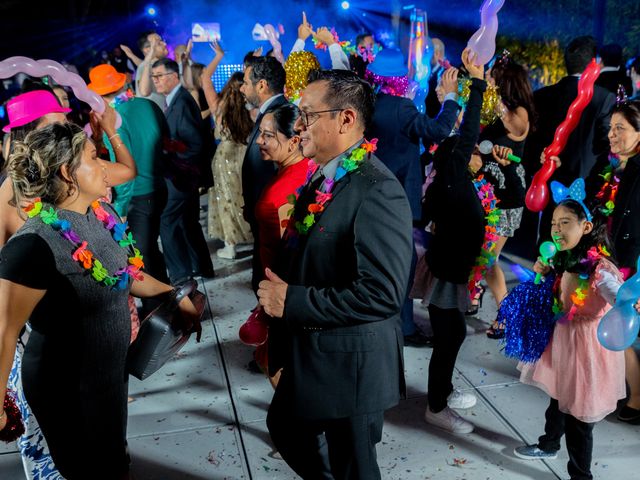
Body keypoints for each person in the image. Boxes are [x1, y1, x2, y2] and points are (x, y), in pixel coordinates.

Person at [0, 123, 200, 479]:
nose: (107, 165)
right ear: (67, 172)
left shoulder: (97, 216)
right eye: (95, 156)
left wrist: (172, 293)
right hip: (66, 387)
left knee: (113, 462)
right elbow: (4, 329)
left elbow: (126, 275)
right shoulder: (34, 244)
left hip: (107, 376)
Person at [258, 69, 413, 479]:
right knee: (285, 427)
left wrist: (290, 301)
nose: (298, 125)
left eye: (308, 115)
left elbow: (382, 293)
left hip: (352, 366)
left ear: (345, 119)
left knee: (354, 467)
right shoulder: (325, 175)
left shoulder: (378, 188)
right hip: (317, 352)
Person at [513, 186, 639, 480]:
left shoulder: (598, 268)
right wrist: (542, 273)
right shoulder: (563, 258)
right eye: (554, 223)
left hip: (587, 348)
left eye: (565, 223)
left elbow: (614, 292)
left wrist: (628, 299)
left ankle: (580, 475)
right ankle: (548, 443)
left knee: (579, 417)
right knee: (558, 396)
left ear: (586, 226)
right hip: (563, 338)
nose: (556, 229)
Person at [412, 49, 487, 434]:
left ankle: (443, 391)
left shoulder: (449, 179)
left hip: (449, 268)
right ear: (457, 157)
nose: (476, 152)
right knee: (450, 336)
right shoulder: (454, 176)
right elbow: (469, 129)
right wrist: (477, 84)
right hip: (446, 271)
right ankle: (436, 406)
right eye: (470, 151)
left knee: (450, 334)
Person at [365, 48, 461, 346]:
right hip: (399, 198)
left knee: (384, 260)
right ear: (399, 79)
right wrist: (451, 98)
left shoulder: (371, 104)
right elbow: (439, 129)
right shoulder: (400, 108)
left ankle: (392, 319)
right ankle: (403, 327)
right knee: (403, 264)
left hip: (373, 192)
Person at [88, 63, 170, 301]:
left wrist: (120, 211)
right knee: (152, 251)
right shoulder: (149, 105)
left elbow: (123, 174)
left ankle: (162, 311)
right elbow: (167, 143)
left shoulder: (112, 121)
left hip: (137, 199)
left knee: (141, 259)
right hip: (161, 188)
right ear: (122, 83)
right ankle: (170, 303)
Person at [523, 36, 615, 244]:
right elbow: (606, 145)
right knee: (577, 249)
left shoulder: (543, 95)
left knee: (547, 240)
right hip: (585, 186)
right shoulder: (603, 98)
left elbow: (532, 142)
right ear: (594, 63)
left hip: (548, 182)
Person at [587, 100, 640, 423]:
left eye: (620, 129)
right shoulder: (619, 166)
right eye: (611, 128)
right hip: (614, 258)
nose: (612, 134)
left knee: (625, 330)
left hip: (633, 265)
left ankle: (637, 398)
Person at [478, 55, 535, 337]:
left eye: (495, 78)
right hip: (486, 193)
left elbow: (513, 127)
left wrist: (491, 91)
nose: (490, 81)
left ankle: (505, 313)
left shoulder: (520, 112)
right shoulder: (494, 110)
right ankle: (478, 296)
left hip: (507, 194)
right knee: (481, 257)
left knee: (488, 258)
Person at [151, 58, 214, 284]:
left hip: (182, 177)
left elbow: (195, 144)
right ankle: (202, 267)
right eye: (153, 76)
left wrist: (171, 159)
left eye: (159, 75)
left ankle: (180, 276)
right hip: (185, 176)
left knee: (167, 220)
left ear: (174, 76)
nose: (155, 81)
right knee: (188, 221)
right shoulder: (177, 100)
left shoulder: (182, 102)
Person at [201, 42, 253, 260]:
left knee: (226, 199)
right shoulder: (251, 104)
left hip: (224, 156)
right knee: (246, 196)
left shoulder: (218, 104)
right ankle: (252, 236)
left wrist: (218, 56)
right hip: (247, 155)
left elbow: (205, 78)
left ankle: (230, 246)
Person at [239, 56, 287, 291]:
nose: (242, 88)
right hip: (262, 207)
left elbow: (280, 168)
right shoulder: (270, 111)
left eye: (246, 82)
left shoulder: (281, 114)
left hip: (272, 210)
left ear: (262, 85)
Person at [135, 30, 169, 110]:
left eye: (162, 41)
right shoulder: (145, 67)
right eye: (159, 43)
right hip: (154, 119)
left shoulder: (156, 66)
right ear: (147, 50)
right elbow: (144, 92)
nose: (165, 44)